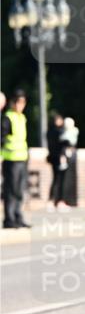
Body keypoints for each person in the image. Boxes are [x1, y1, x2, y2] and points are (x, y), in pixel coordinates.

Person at [1, 89, 30, 229]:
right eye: (18, 102)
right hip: (10, 159)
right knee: (10, 190)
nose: (21, 105)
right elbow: (2, 138)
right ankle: (9, 219)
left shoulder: (22, 117)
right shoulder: (8, 117)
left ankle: (18, 216)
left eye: (23, 102)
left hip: (22, 158)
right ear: (13, 102)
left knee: (20, 190)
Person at [46, 113, 69, 210]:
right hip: (59, 158)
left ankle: (53, 200)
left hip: (53, 157)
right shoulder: (59, 132)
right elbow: (64, 143)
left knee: (56, 179)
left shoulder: (49, 132)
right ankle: (58, 200)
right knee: (59, 180)